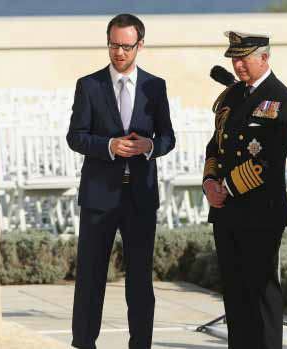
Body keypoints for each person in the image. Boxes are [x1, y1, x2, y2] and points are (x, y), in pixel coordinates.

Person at [66, 13, 175, 349]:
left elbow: (168, 136)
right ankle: (83, 343)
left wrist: (150, 146)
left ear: (139, 45)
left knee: (140, 280)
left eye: (126, 46)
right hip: (99, 196)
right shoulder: (89, 85)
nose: (119, 53)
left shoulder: (155, 86)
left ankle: (140, 344)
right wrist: (110, 146)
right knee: (90, 277)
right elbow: (76, 137)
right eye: (114, 45)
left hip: (140, 197)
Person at [202, 31, 287, 349]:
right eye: (234, 58)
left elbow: (270, 157)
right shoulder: (231, 97)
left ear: (265, 58)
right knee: (234, 291)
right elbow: (215, 145)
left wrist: (226, 187)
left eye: (244, 58)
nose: (238, 65)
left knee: (261, 291)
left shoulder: (282, 100)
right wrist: (210, 183)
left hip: (260, 211)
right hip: (226, 210)